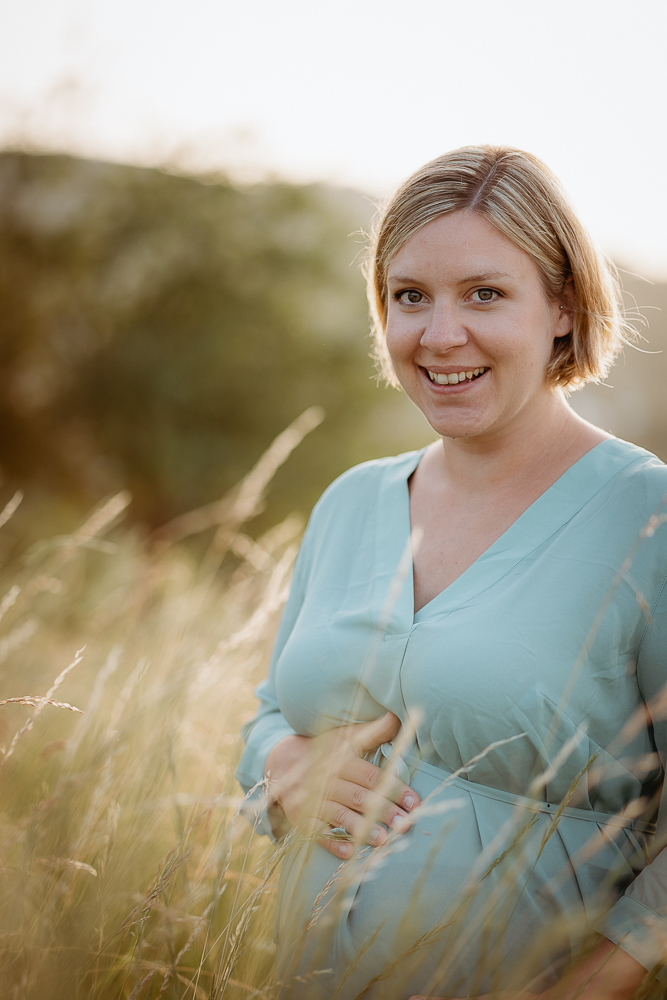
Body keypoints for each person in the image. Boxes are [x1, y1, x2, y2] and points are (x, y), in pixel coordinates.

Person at [236, 146, 667, 999]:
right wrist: (278, 764)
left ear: (563, 308)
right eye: (409, 297)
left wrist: (586, 988)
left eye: (484, 294)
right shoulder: (351, 502)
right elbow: (268, 715)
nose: (438, 336)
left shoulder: (645, 518)